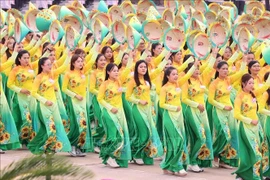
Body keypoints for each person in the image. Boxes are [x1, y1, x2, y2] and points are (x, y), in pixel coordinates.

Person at [28, 57, 71, 154]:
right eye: (48, 64)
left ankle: (36, 146)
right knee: (51, 128)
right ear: (42, 66)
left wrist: (68, 55)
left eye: (50, 64)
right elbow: (34, 93)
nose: (50, 66)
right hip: (44, 106)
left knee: (56, 126)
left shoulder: (52, 74)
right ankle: (48, 149)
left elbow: (63, 68)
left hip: (54, 105)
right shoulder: (38, 77)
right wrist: (44, 101)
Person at [208, 61, 246, 169]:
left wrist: (244, 59)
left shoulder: (229, 80)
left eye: (226, 69)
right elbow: (211, 100)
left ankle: (225, 159)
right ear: (218, 70)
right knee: (224, 134)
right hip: (219, 110)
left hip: (230, 111)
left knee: (233, 135)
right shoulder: (214, 83)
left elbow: (241, 72)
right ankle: (214, 154)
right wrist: (222, 107)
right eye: (223, 68)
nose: (225, 70)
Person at [126, 60, 163, 165]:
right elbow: (128, 96)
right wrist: (139, 101)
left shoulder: (147, 81)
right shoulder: (133, 81)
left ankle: (140, 154)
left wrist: (166, 56)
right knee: (144, 133)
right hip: (137, 109)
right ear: (136, 68)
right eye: (141, 67)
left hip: (148, 110)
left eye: (145, 67)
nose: (143, 69)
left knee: (148, 133)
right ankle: (136, 154)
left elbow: (158, 70)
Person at [97, 63, 131, 168]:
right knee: (113, 137)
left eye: (117, 70)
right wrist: (110, 108)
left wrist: (130, 56)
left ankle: (114, 156)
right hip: (108, 113)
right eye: (114, 71)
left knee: (119, 136)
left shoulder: (119, 82)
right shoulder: (105, 84)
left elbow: (127, 70)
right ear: (108, 72)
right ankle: (110, 157)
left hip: (119, 112)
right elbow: (99, 98)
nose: (116, 72)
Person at [62, 54, 94, 157]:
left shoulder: (83, 73)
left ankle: (79, 146)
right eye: (78, 62)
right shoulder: (69, 74)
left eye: (81, 61)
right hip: (74, 101)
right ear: (73, 63)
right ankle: (71, 146)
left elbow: (92, 61)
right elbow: (64, 89)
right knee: (77, 124)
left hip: (83, 102)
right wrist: (75, 95)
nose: (81, 63)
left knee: (84, 125)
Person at [233, 74, 262, 180]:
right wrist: (250, 121)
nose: (252, 85)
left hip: (255, 127)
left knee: (251, 151)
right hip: (245, 127)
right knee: (256, 152)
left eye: (253, 83)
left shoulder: (253, 95)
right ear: (243, 84)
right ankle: (255, 176)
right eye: (250, 83)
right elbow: (236, 114)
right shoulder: (239, 96)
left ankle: (244, 174)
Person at [7, 50, 38, 145]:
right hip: (20, 97)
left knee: (33, 118)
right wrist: (20, 90)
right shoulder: (15, 70)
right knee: (26, 119)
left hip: (32, 97)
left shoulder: (31, 67)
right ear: (19, 59)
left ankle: (29, 140)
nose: (26, 60)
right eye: (24, 58)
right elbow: (9, 84)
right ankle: (18, 140)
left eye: (28, 58)